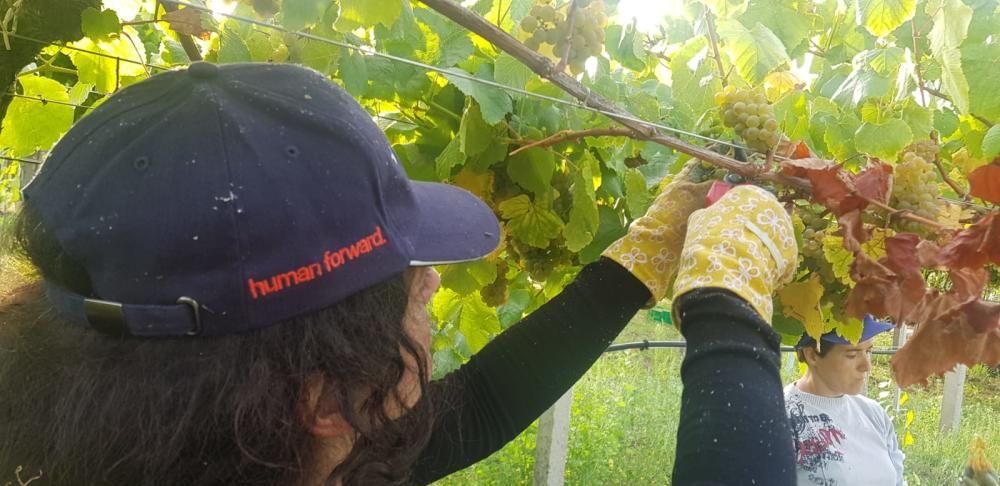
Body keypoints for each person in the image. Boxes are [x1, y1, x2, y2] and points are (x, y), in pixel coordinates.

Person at [0, 61, 796, 485]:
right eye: (403, 281)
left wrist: (640, 262)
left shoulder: (252, 454)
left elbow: (474, 408)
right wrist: (729, 313)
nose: (429, 283)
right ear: (319, 400)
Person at [785, 316, 907, 485]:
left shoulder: (873, 413)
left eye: (869, 351)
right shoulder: (783, 419)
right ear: (812, 355)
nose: (866, 366)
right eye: (852, 354)